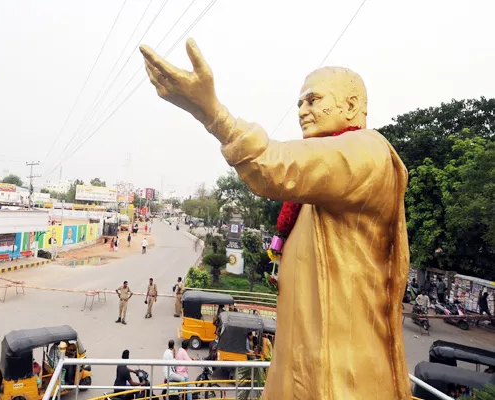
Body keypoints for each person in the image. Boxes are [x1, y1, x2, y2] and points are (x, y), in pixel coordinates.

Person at [141, 41, 413, 397]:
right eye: (300, 102)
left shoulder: (367, 153)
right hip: (299, 372)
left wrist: (211, 112)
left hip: (343, 379)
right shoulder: (313, 198)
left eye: (313, 100)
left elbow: (276, 165)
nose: (302, 109)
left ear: (351, 106)